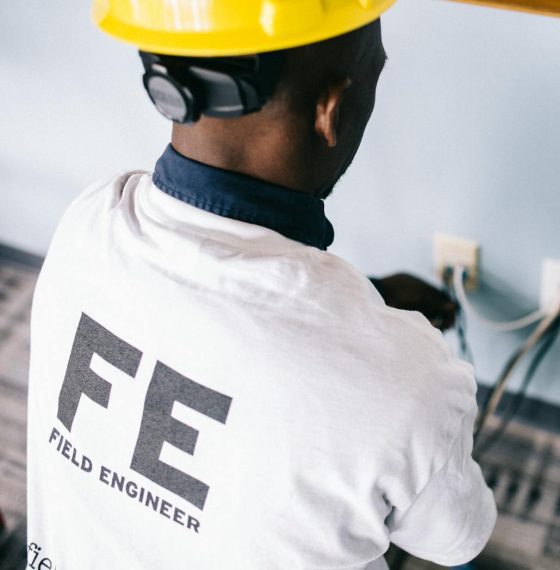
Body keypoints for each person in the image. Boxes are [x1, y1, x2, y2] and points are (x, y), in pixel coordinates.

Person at [26, 1, 497, 568]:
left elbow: (198, 319)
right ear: (332, 110)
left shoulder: (88, 223)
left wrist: (365, 312)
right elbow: (458, 540)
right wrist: (387, 354)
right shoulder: (408, 382)